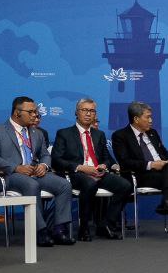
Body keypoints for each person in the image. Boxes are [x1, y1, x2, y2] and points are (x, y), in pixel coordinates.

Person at [0, 96, 76, 247]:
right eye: (30, 112)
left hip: (34, 173)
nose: (35, 115)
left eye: (36, 112)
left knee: (64, 185)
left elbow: (45, 154)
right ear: (17, 113)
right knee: (32, 185)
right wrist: (16, 167)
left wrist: (43, 166)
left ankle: (59, 230)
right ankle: (40, 231)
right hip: (10, 175)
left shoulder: (36, 132)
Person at [111, 101, 168, 239]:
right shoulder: (120, 136)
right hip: (141, 175)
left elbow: (165, 153)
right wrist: (151, 165)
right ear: (136, 119)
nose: (151, 120)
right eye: (148, 117)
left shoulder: (152, 133)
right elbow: (125, 162)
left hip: (163, 173)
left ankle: (166, 200)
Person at [52, 98, 131, 241]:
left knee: (125, 185)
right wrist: (80, 167)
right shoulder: (64, 133)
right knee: (90, 184)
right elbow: (56, 160)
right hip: (76, 174)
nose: (88, 114)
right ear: (76, 112)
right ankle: (84, 228)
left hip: (97, 172)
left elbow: (106, 158)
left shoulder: (99, 134)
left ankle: (106, 224)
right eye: (84, 110)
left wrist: (104, 165)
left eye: (92, 111)